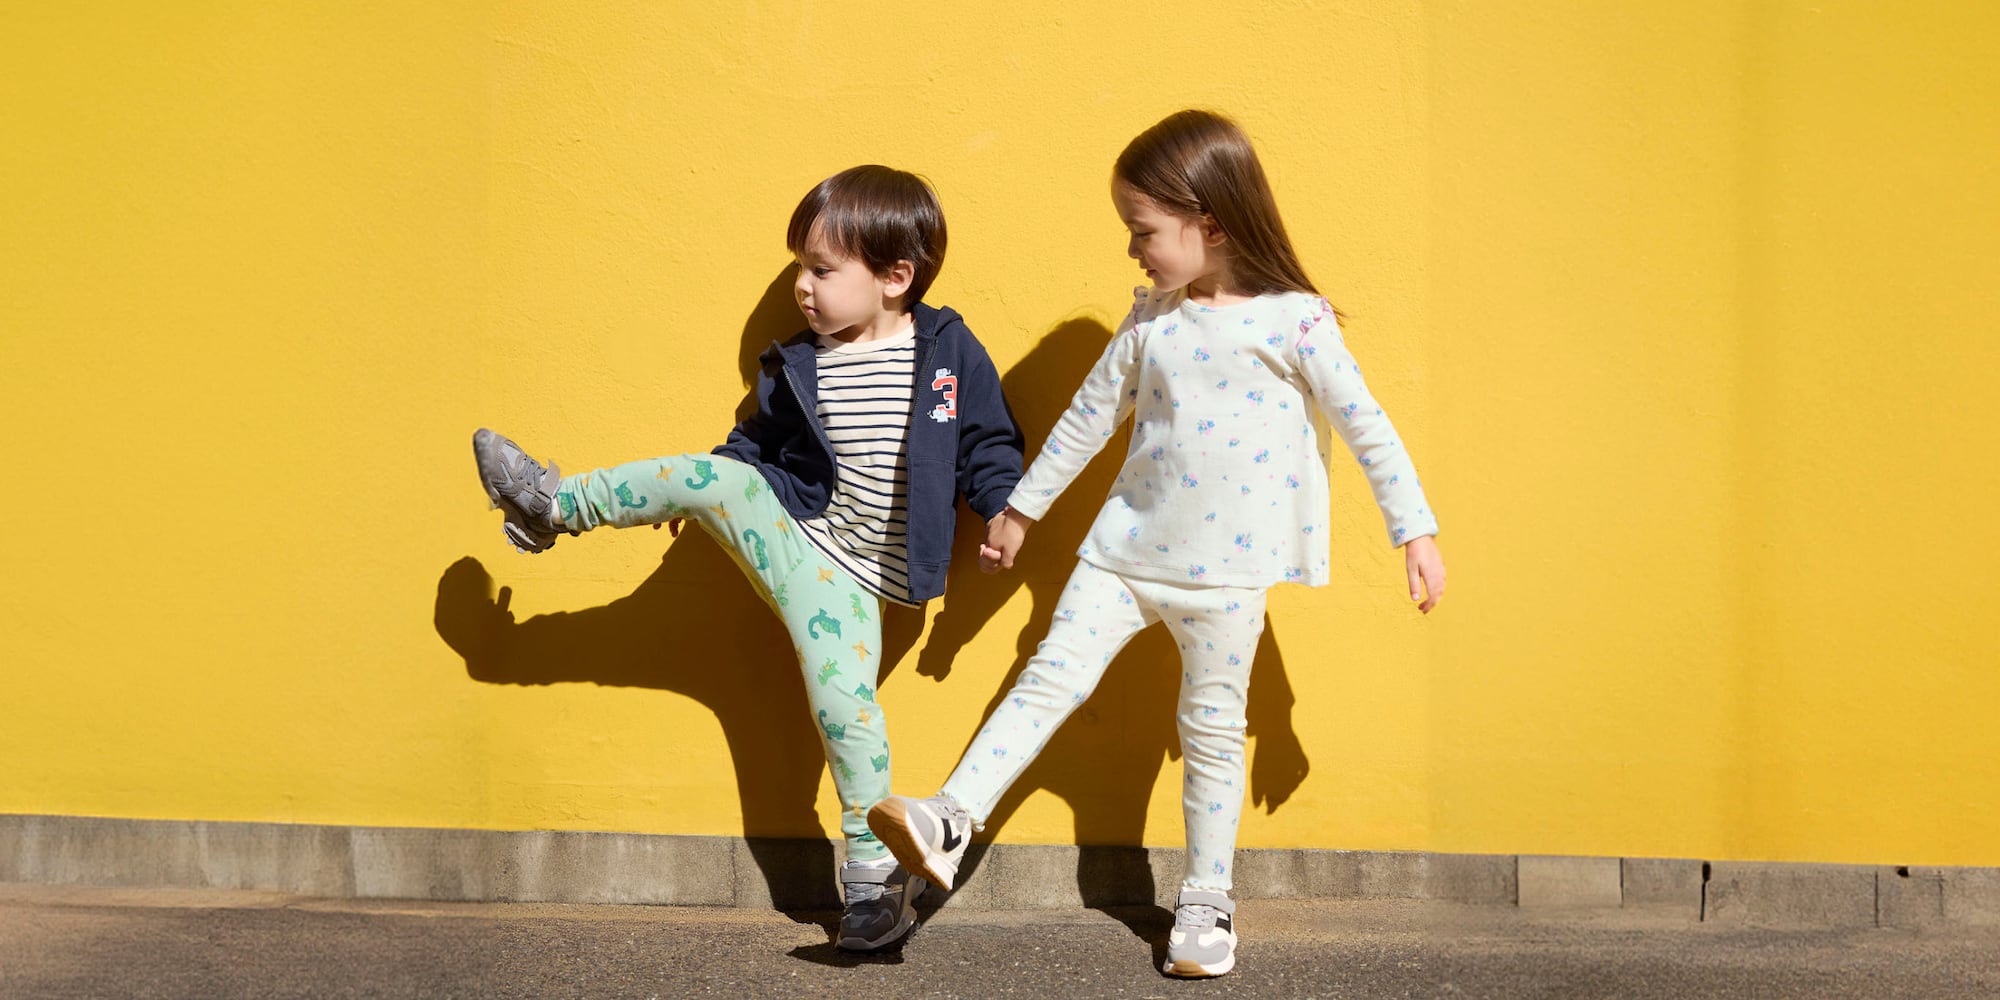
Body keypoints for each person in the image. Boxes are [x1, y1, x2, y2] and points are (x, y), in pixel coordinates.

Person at [867, 111, 1447, 978]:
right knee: (1043, 684)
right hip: (1121, 555)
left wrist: (1416, 530)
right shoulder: (1151, 323)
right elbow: (1085, 422)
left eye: (1143, 230)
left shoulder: (1297, 324)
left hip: (1227, 578)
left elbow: (1370, 431)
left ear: (1209, 222)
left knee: (1214, 731)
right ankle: (951, 817)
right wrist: (1021, 511)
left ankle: (1207, 897)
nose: (1133, 250)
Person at [472, 164, 1024, 951]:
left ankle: (872, 888)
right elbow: (749, 450)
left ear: (895, 278)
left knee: (846, 711)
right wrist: (701, 495)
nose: (803, 286)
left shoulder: (945, 351)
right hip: (809, 549)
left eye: (823, 270)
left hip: (883, 580)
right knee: (716, 476)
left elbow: (989, 439)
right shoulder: (795, 364)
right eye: (801, 265)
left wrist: (1003, 508)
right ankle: (553, 507)